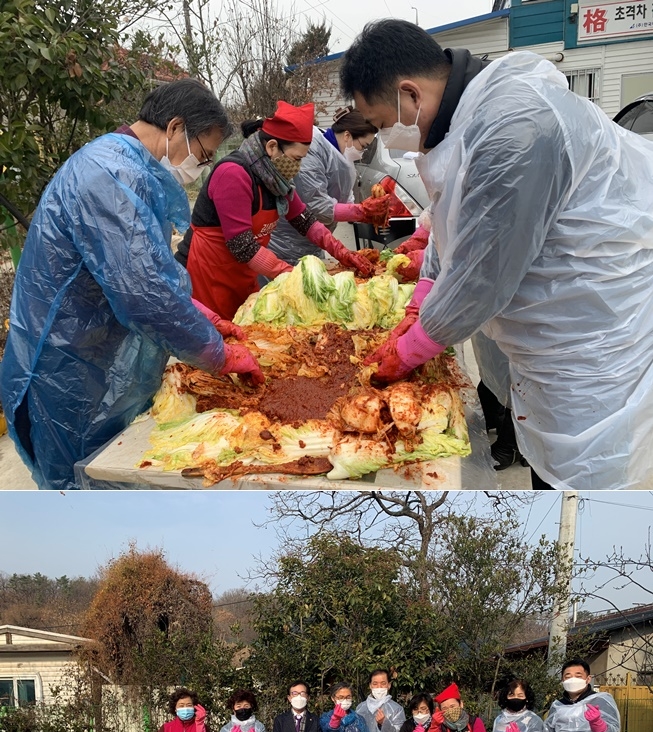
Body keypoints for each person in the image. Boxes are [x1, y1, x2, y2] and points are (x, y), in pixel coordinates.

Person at [340, 20, 653, 490]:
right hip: (548, 348)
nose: (386, 139)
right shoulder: (464, 124)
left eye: (383, 124)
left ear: (410, 94)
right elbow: (452, 231)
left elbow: (483, 275)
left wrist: (408, 350)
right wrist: (420, 297)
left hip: (591, 346)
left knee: (580, 483)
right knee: (547, 464)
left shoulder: (515, 127)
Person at [0, 79, 264, 490]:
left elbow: (149, 273)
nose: (202, 167)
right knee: (80, 482)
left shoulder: (130, 169)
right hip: (64, 362)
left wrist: (204, 315)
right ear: (176, 128)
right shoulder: (111, 175)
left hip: (91, 348)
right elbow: (145, 296)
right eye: (204, 153)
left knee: (108, 470)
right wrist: (219, 354)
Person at [175, 101, 375, 320]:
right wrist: (293, 275)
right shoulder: (233, 174)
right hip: (210, 275)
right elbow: (243, 247)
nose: (298, 167)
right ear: (272, 147)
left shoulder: (277, 179)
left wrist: (343, 253)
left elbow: (305, 221)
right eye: (296, 158)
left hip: (244, 274)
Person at [268, 107, 386, 265]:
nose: (362, 152)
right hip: (286, 245)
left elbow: (310, 218)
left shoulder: (341, 158)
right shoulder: (312, 152)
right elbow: (318, 206)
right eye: (363, 146)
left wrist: (341, 251)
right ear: (347, 135)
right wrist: (362, 211)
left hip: (312, 240)